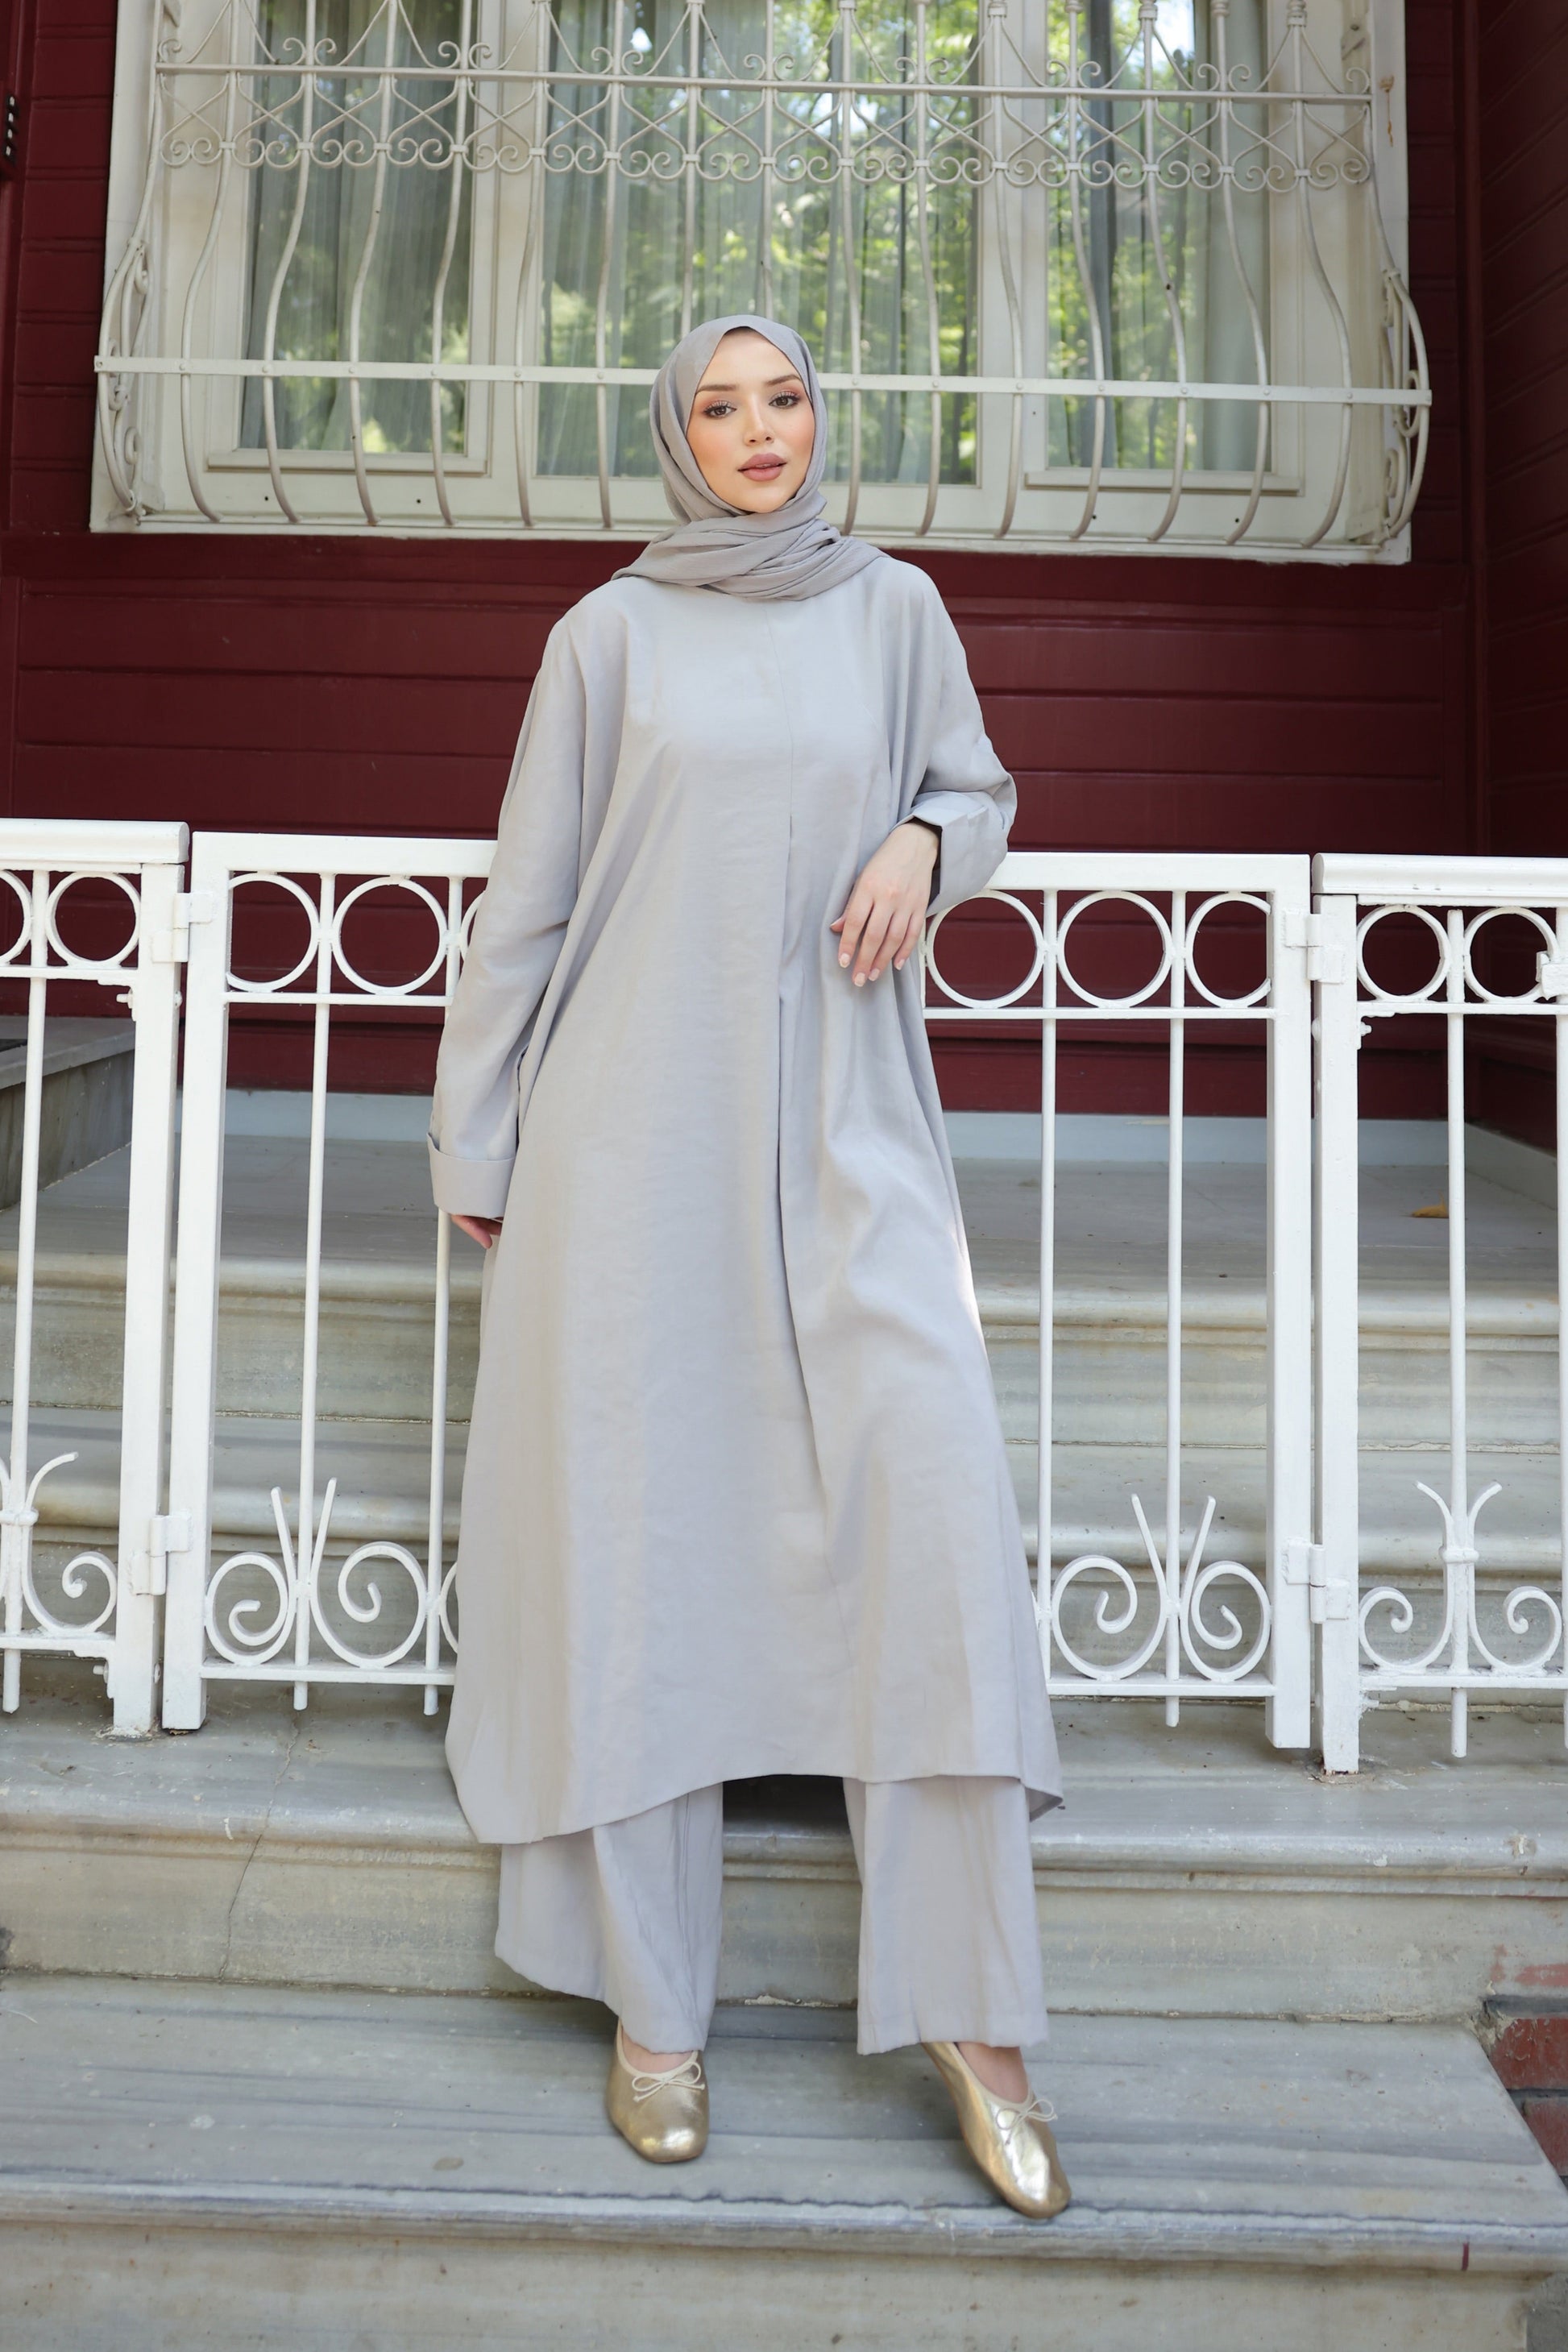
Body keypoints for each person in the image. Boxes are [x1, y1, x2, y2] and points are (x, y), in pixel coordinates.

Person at [427, 313, 1067, 2219]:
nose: (757, 429)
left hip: (848, 1124)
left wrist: (923, 845)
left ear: (820, 413)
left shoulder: (896, 612)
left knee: (932, 1510)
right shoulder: (606, 635)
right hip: (632, 1139)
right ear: (675, 436)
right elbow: (525, 899)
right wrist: (480, 1133)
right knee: (647, 1540)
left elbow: (978, 787)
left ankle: (980, 2023)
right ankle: (654, 2010)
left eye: (782, 395)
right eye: (717, 405)